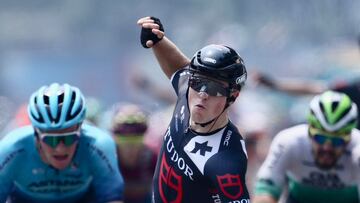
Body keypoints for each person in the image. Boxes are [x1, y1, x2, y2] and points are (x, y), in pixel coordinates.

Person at [137, 16, 250, 202]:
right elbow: (180, 67)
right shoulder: (188, 91)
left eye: (215, 88)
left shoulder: (227, 160)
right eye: (198, 82)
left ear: (233, 97)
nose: (203, 94)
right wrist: (158, 40)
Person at [0, 83, 124, 203]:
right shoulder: (12, 149)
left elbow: (113, 198)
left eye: (70, 138)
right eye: (50, 140)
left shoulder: (98, 145)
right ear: (36, 135)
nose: (60, 148)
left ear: (81, 130)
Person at [253, 90, 360, 203]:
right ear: (309, 131)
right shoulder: (290, 142)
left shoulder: (357, 149)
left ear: (349, 137)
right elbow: (265, 191)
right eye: (320, 138)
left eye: (336, 141)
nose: (326, 148)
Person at [110, 103, 157, 203]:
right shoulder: (109, 157)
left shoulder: (152, 158)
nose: (130, 150)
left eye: (134, 146)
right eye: (126, 146)